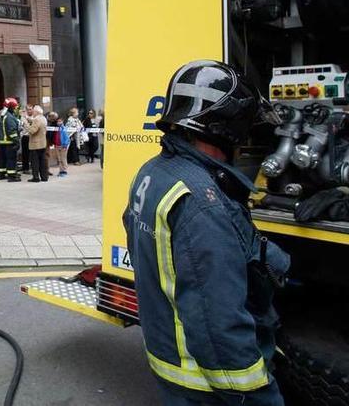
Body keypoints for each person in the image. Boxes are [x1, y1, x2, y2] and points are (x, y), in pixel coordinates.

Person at [122, 60, 290, 405]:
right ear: (229, 129)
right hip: (204, 385)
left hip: (169, 361)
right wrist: (259, 395)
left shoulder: (153, 172)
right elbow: (218, 320)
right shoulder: (204, 202)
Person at [0, 97, 21, 182]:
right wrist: (17, 141)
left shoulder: (0, 114)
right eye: (14, 107)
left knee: (1, 159)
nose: (15, 109)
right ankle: (12, 176)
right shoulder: (9, 117)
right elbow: (11, 131)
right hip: (9, 142)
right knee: (11, 159)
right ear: (10, 107)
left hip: (0, 142)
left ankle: (1, 174)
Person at [24, 105, 49, 183]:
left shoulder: (37, 119)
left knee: (35, 162)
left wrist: (25, 124)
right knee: (43, 161)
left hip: (35, 145)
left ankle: (36, 177)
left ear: (36, 112)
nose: (32, 112)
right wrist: (27, 118)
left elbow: (32, 130)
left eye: (33, 111)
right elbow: (35, 122)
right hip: (42, 143)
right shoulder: (43, 118)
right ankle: (44, 177)